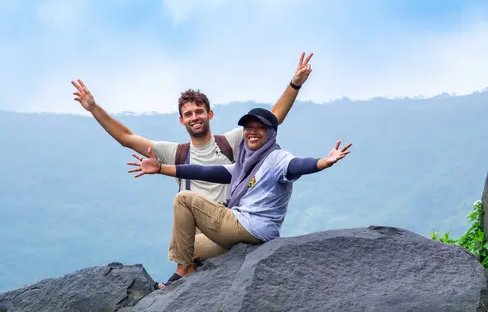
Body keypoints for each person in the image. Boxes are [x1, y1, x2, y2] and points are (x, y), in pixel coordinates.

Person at [127, 107, 352, 289]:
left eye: (260, 128)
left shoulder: (277, 158)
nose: (252, 132)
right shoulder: (245, 164)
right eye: (248, 127)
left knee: (185, 199)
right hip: (244, 231)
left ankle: (183, 272)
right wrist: (160, 168)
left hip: (250, 227)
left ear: (271, 132)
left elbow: (298, 165)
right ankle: (189, 266)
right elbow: (205, 172)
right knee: (188, 246)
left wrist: (323, 162)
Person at [71, 52, 314, 207]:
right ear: (181, 121)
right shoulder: (174, 154)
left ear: (210, 114)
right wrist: (94, 108)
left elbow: (273, 118)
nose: (194, 118)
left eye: (199, 112)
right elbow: (126, 138)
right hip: (196, 227)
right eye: (188, 114)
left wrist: (295, 85)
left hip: (230, 219)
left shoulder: (231, 142)